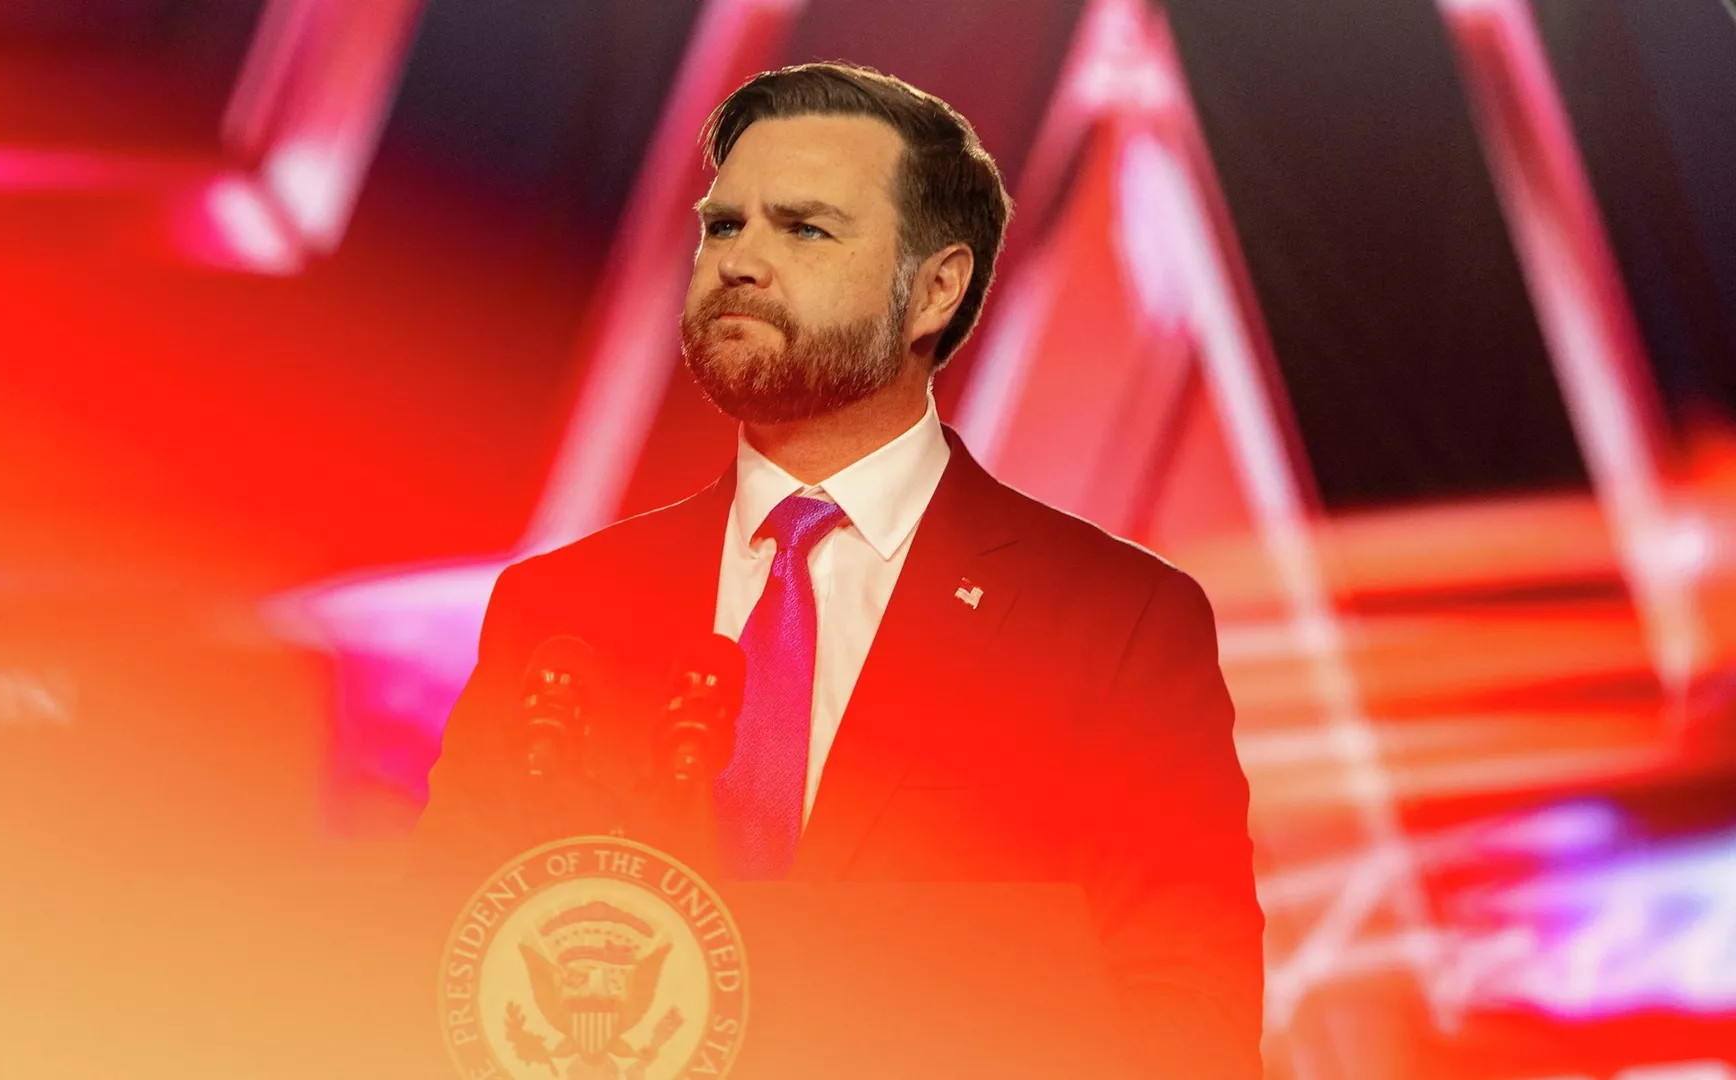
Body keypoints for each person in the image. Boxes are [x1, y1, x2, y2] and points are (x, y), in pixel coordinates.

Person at [414, 62, 1263, 1077]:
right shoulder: (562, 612)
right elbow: (433, 972)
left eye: (805, 230)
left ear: (935, 289)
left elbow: (1189, 1022)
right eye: (723, 227)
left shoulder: (1117, 625)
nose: (740, 261)